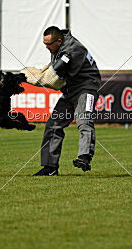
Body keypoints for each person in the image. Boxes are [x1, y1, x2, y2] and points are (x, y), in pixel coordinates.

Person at [32, 26, 101, 176]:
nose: (46, 47)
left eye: (48, 44)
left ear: (59, 40)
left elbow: (56, 78)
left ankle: (84, 157)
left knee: (84, 120)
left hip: (86, 88)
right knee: (53, 125)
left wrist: (35, 79)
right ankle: (50, 168)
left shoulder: (74, 49)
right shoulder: (58, 47)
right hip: (70, 90)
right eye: (44, 44)